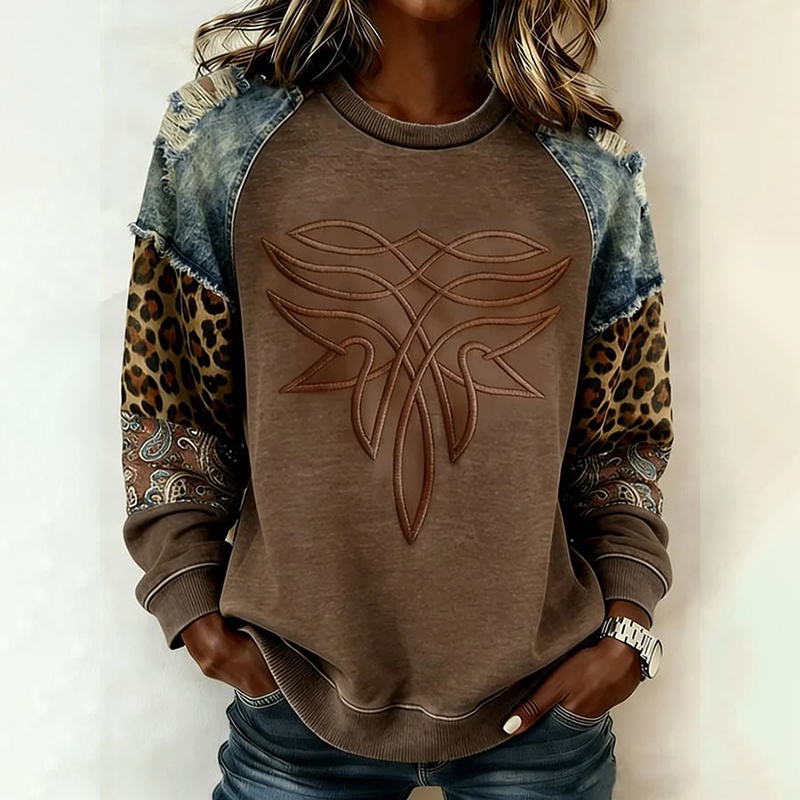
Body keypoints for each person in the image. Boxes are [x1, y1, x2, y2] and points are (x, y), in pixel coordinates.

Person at [119, 1, 674, 797]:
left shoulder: (589, 172)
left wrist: (628, 629)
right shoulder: (226, 145)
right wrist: (193, 610)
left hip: (541, 706)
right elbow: (169, 402)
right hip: (297, 698)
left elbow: (622, 439)